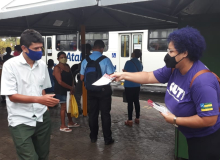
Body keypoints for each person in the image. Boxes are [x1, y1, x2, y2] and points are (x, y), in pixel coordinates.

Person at [111, 27, 220, 160]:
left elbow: (209, 119)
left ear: (184, 53)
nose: (167, 54)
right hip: (192, 137)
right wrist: (123, 75)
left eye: (171, 51)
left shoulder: (202, 82)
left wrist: (175, 120)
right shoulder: (175, 69)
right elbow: (148, 76)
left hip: (206, 140)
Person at [1, 29, 59, 160]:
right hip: (20, 119)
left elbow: (42, 88)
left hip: (41, 117)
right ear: (24, 48)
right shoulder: (10, 66)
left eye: (41, 48)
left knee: (43, 155)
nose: (40, 51)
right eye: (36, 48)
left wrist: (46, 105)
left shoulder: (42, 65)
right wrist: (40, 100)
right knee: (29, 157)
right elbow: (12, 96)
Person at [80, 40, 115, 145]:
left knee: (93, 114)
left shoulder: (85, 60)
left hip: (91, 91)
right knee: (105, 115)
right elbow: (111, 76)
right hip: (104, 91)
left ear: (93, 48)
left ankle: (93, 137)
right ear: (102, 49)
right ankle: (107, 139)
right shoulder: (106, 60)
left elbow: (81, 77)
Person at [53, 51, 80, 132]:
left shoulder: (67, 66)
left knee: (68, 107)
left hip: (69, 90)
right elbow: (60, 81)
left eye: (65, 57)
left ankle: (70, 122)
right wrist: (70, 88)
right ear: (58, 59)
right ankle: (62, 125)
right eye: (61, 57)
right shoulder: (57, 68)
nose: (64, 59)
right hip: (61, 91)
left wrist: (72, 86)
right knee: (63, 107)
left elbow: (71, 77)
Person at [123, 49, 143, 126]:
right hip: (137, 85)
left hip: (129, 85)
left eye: (133, 52)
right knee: (136, 101)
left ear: (134, 54)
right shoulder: (140, 63)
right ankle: (137, 118)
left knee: (130, 102)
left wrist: (124, 71)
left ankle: (130, 120)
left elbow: (125, 72)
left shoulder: (128, 62)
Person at [73, 43, 92, 114]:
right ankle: (88, 108)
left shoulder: (86, 58)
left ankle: (79, 108)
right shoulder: (90, 57)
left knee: (77, 93)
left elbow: (81, 69)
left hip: (84, 79)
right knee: (88, 94)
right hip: (89, 79)